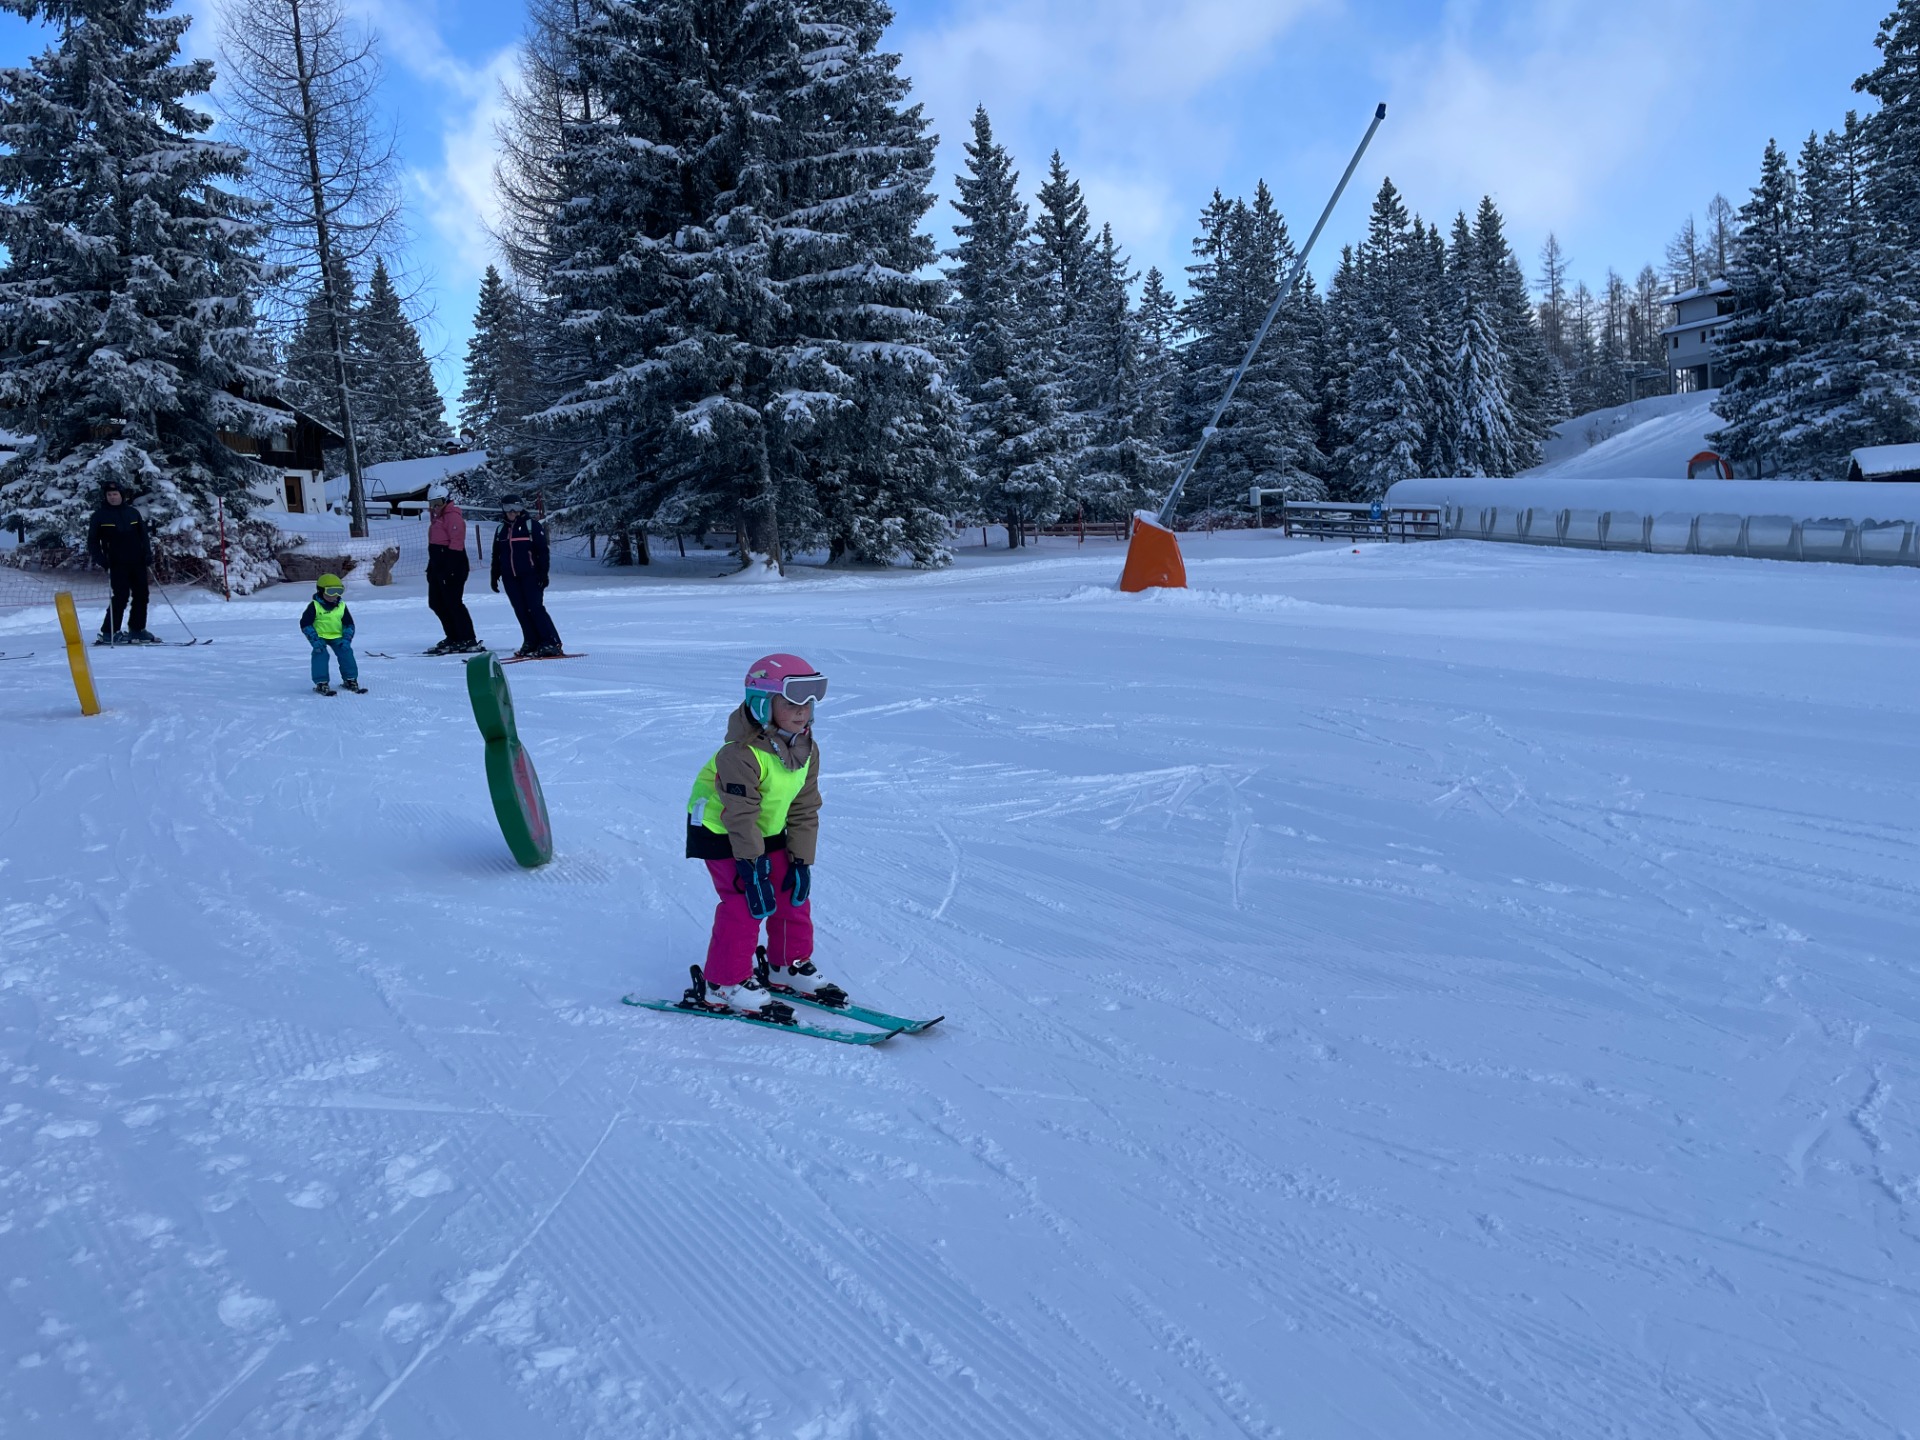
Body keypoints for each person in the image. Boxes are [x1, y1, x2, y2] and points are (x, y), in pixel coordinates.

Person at [683, 653, 835, 1016]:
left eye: (808, 702)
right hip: (722, 832)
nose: (802, 711)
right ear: (762, 704)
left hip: (767, 829)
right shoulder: (739, 754)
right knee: (745, 904)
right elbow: (740, 815)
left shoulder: (806, 748)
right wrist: (751, 868)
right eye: (791, 702)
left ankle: (786, 965)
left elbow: (804, 807)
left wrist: (801, 860)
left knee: (791, 895)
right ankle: (723, 983)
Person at [489, 493, 563, 659]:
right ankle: (531, 641)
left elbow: (542, 552)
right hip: (510, 577)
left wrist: (543, 574)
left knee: (535, 608)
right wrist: (494, 575)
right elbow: (497, 554)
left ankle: (550, 641)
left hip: (530, 575)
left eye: (515, 507)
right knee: (520, 610)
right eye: (508, 508)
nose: (512, 512)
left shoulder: (531, 526)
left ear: (521, 508)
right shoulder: (501, 530)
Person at [86, 481, 157, 644]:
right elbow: (92, 542)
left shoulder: (132, 513)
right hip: (116, 563)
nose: (112, 497)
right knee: (121, 596)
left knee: (142, 595)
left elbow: (143, 536)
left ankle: (137, 629)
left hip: (137, 561)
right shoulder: (99, 516)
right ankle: (109, 632)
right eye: (109, 495)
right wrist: (101, 560)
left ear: (121, 495)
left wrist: (147, 553)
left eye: (115, 494)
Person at [424, 482, 481, 655]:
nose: (435, 507)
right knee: (436, 602)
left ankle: (467, 637)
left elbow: (456, 543)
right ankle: (453, 636)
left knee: (453, 602)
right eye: (432, 503)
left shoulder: (452, 517)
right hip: (438, 565)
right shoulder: (437, 518)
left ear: (446, 500)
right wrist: (432, 569)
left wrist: (449, 569)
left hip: (453, 565)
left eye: (438, 503)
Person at [299, 573, 366, 696]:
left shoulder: (341, 606)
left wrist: (347, 639)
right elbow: (305, 624)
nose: (334, 595)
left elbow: (349, 624)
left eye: (338, 591)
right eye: (330, 592)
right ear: (321, 591)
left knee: (346, 652)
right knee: (321, 654)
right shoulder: (315, 606)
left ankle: (350, 679)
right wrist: (315, 640)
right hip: (319, 637)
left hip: (337, 636)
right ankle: (321, 682)